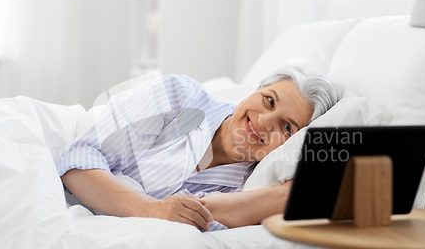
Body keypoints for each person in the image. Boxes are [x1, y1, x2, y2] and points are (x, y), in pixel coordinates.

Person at [57, 58, 343, 231]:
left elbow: (205, 224)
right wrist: (149, 209)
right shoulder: (179, 96)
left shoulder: (251, 186)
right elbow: (79, 159)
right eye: (269, 100)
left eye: (287, 127)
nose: (266, 121)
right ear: (256, 89)